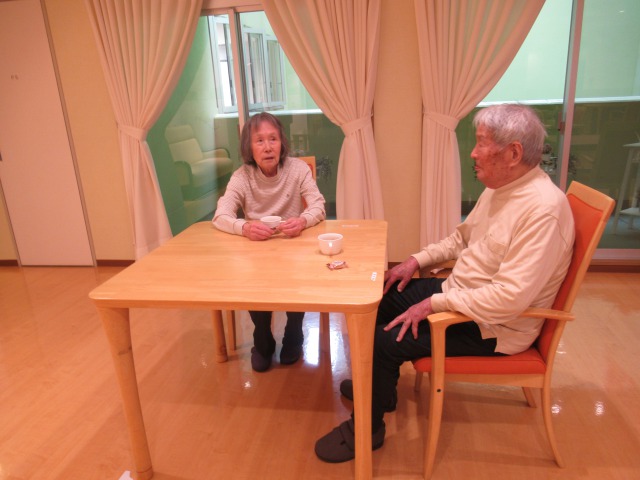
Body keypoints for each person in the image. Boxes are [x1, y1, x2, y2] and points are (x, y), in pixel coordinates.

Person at [314, 104, 575, 462]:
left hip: (493, 326)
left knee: (387, 340)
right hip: (461, 295)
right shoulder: (503, 186)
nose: (473, 153)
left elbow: (510, 299)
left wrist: (433, 304)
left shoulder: (543, 210)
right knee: (381, 297)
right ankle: (380, 392)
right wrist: (415, 261)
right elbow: (461, 239)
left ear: (513, 154)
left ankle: (368, 430)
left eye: (481, 143)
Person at [212, 112, 326, 372]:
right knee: (252, 279)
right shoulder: (242, 176)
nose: (267, 147)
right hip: (257, 249)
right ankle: (262, 339)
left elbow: (318, 205)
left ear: (282, 143)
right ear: (249, 147)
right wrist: (245, 227)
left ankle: (294, 334)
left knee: (299, 275)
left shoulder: (297, 169)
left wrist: (303, 220)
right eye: (260, 140)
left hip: (292, 246)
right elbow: (221, 216)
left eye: (273, 139)